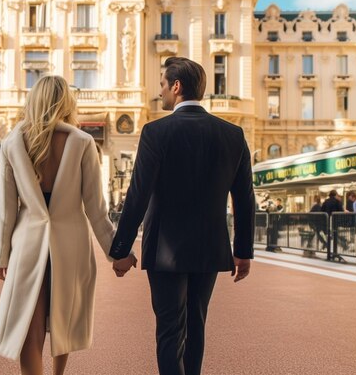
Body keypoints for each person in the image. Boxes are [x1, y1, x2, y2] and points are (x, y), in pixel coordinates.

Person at [109, 57, 255, 375]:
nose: (160, 90)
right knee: (196, 324)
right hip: (210, 246)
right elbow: (244, 198)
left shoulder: (155, 132)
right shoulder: (233, 134)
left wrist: (120, 250)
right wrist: (243, 251)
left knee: (169, 330)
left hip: (164, 248)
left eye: (163, 84)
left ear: (176, 87)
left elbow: (137, 195)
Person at [0, 75, 136, 375]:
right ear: (66, 102)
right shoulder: (83, 142)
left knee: (29, 326)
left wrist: (1, 256)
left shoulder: (12, 143)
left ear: (33, 101)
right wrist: (117, 253)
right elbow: (97, 210)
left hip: (27, 245)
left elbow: (5, 210)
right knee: (63, 318)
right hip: (71, 244)